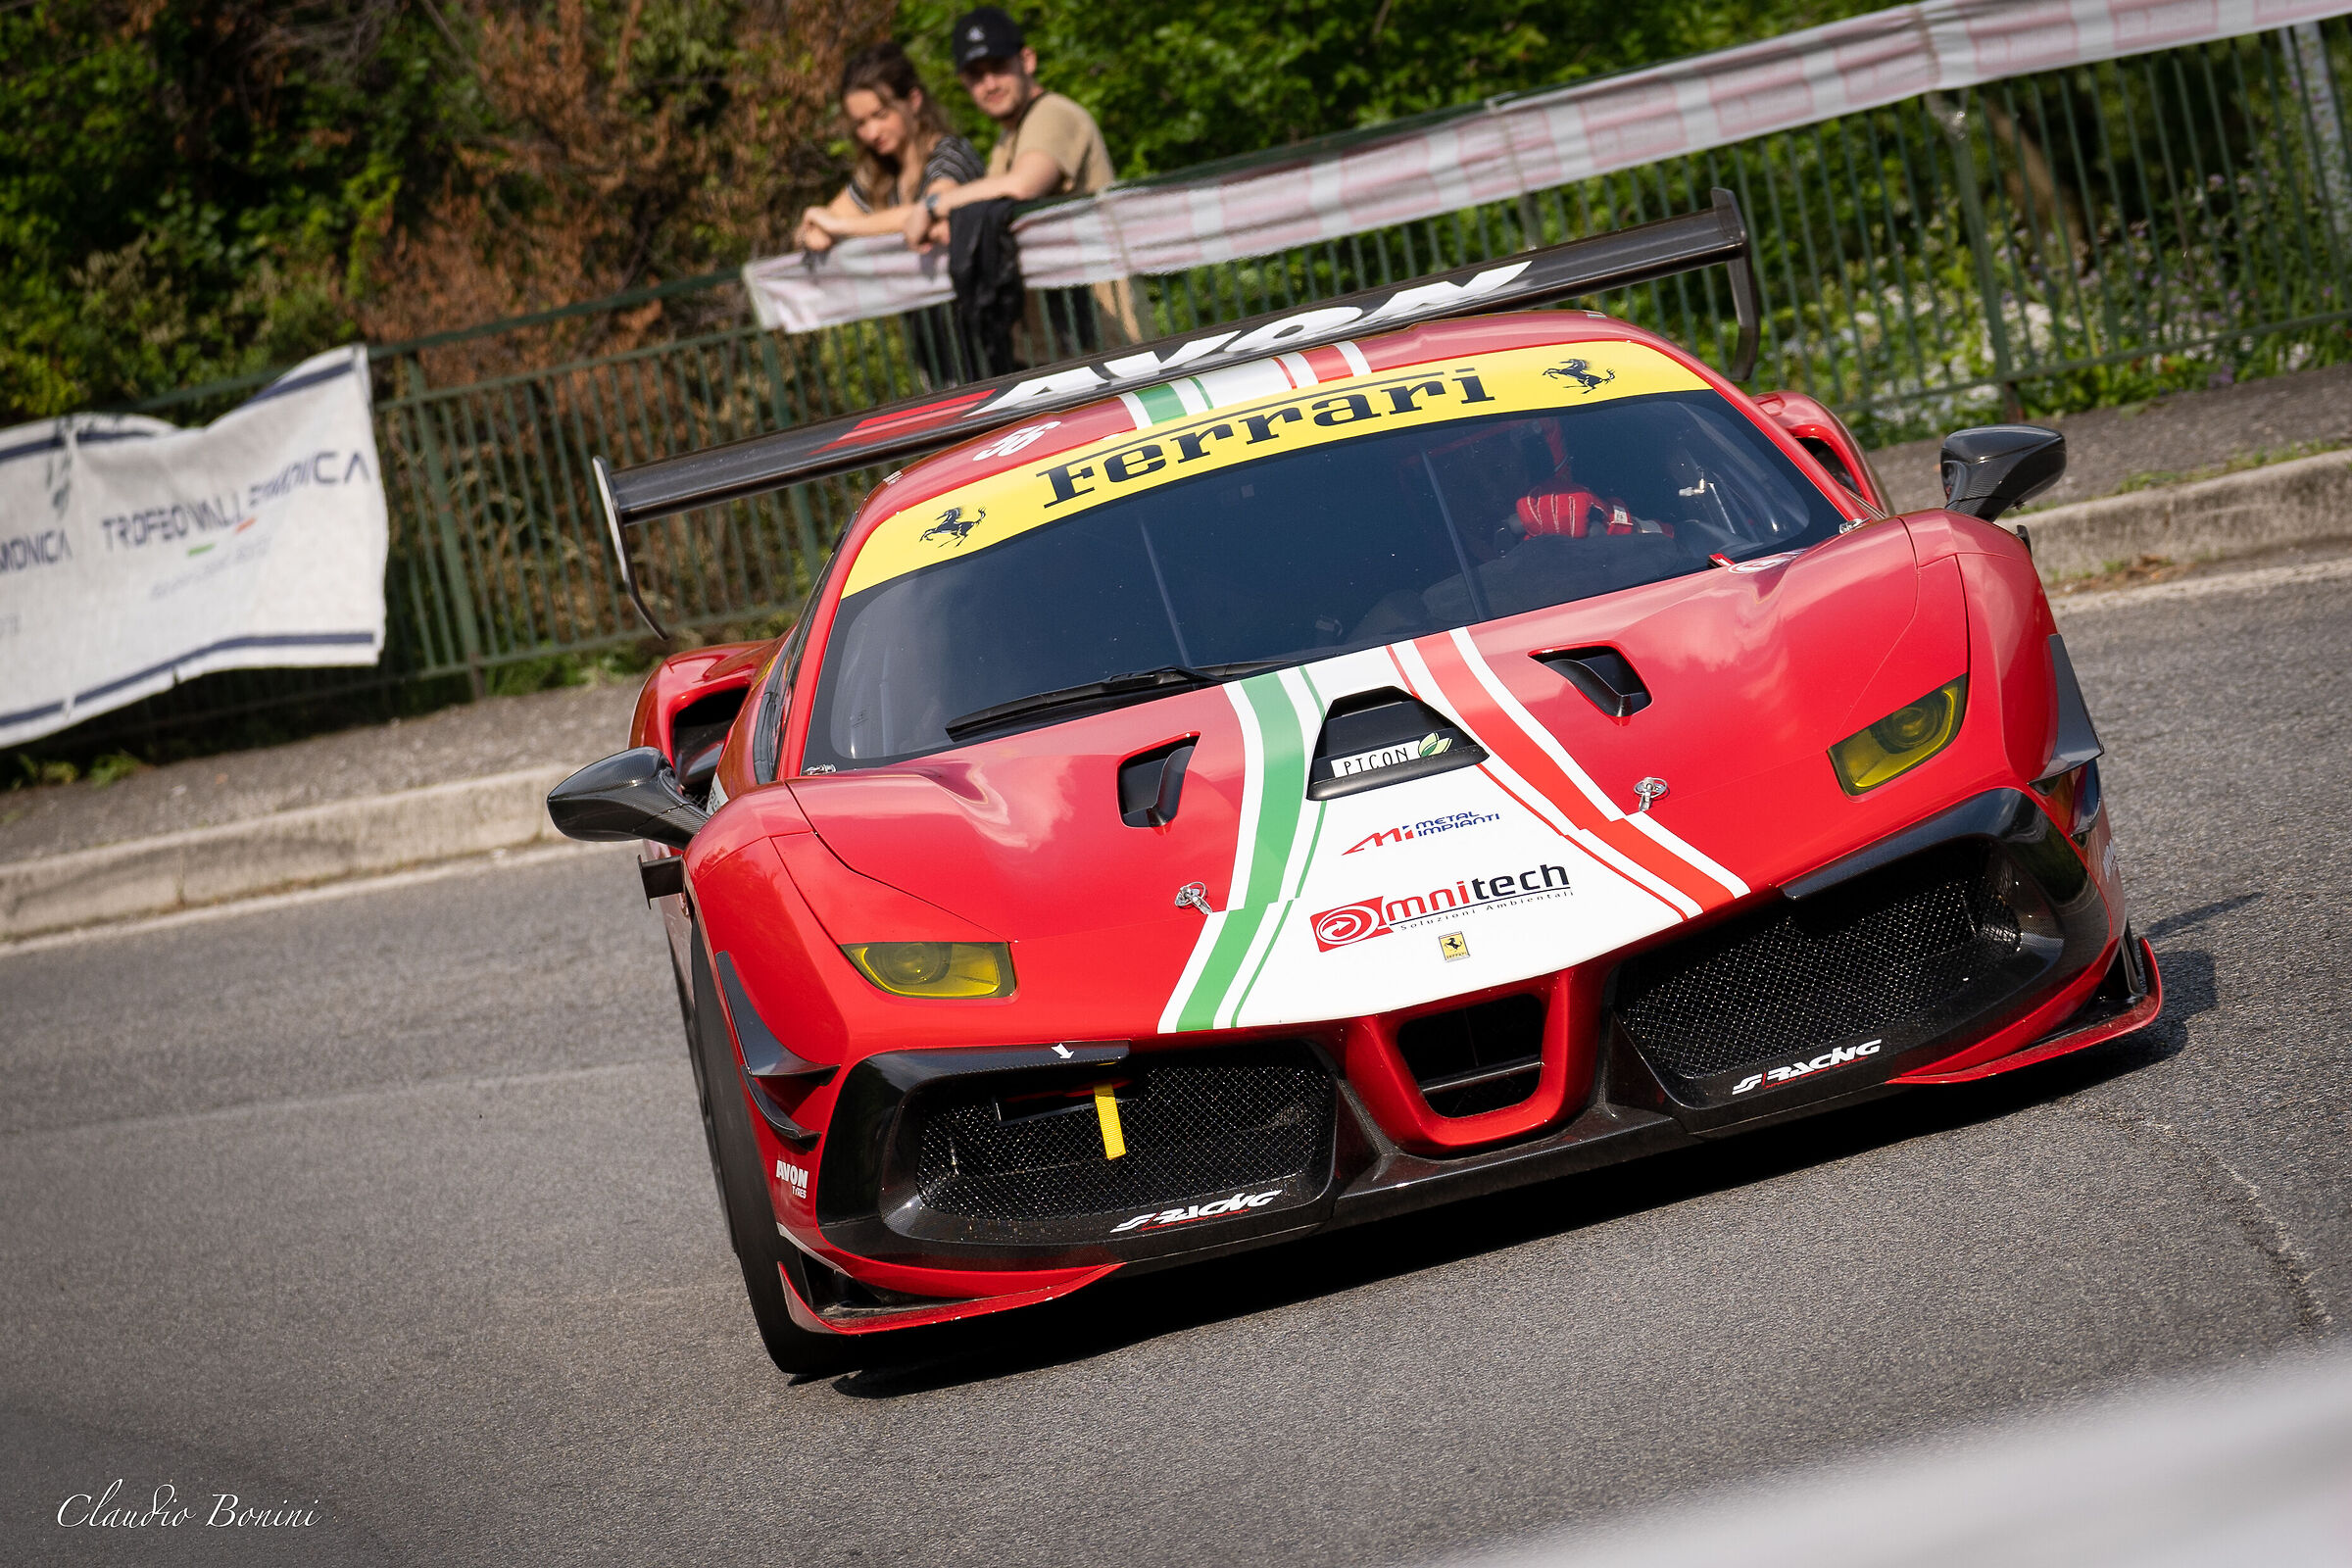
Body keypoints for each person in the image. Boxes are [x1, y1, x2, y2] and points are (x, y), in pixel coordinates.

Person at [906, 7, 1140, 349]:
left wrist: (933, 204)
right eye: (975, 75)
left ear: (1027, 60)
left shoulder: (1052, 113)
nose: (989, 84)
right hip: (1065, 345)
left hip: (1107, 342)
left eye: (999, 67)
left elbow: (1022, 185)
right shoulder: (1007, 139)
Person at [795, 42, 984, 256]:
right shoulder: (879, 172)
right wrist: (808, 233)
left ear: (913, 101)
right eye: (860, 124)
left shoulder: (951, 156)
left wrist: (840, 228)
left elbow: (933, 207)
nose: (872, 133)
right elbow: (820, 220)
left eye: (881, 115)